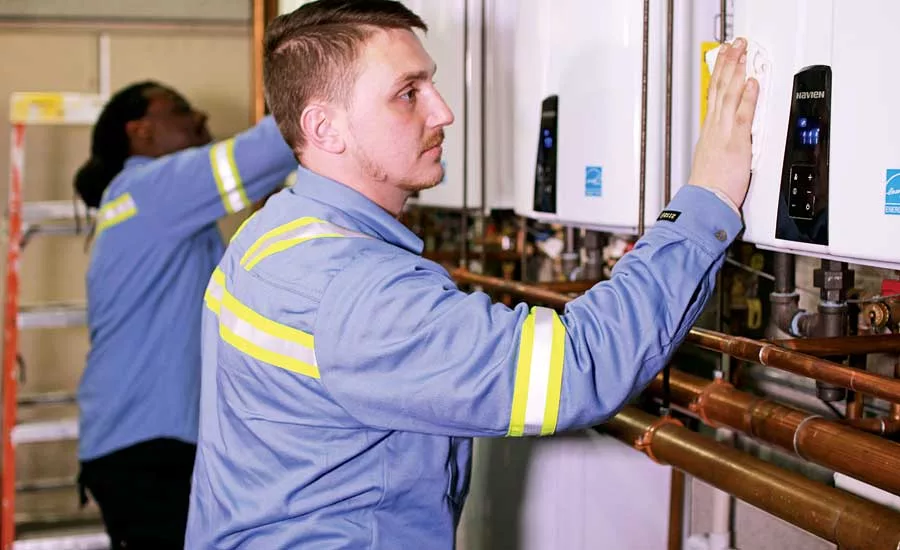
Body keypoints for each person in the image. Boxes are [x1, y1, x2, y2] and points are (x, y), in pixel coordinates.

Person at [185, 1, 759, 547]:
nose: (443, 111)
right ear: (325, 128)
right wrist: (707, 198)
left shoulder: (271, 234)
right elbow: (579, 367)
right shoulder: (356, 291)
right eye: (407, 93)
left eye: (429, 83)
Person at [73, 81, 297, 549]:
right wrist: (333, 93)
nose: (199, 117)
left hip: (137, 444)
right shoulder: (150, 189)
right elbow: (262, 153)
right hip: (148, 451)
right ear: (142, 133)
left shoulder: (136, 202)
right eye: (178, 110)